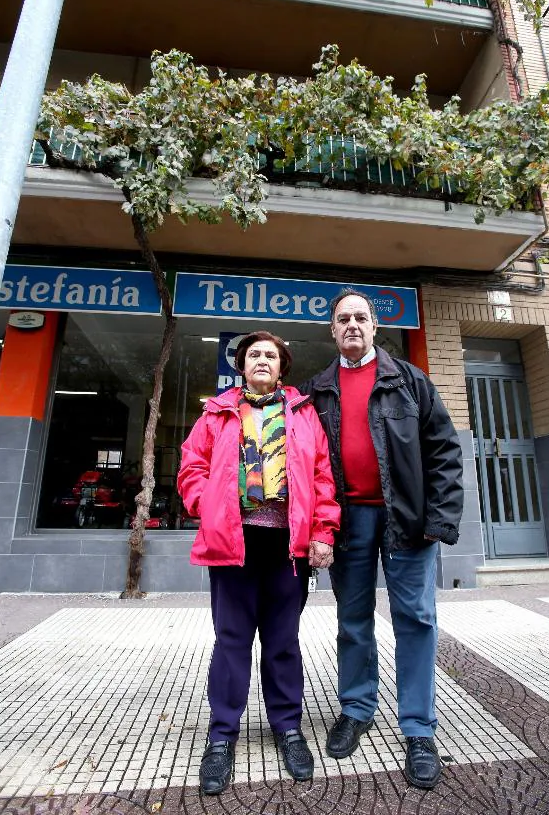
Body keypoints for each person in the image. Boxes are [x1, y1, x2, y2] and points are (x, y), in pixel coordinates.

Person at [301, 288, 463, 790]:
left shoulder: (410, 381)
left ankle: (418, 727)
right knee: (352, 621)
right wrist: (314, 529)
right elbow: (306, 466)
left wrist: (439, 518)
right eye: (343, 318)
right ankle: (356, 707)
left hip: (407, 521)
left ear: (375, 327)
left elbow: (445, 453)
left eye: (361, 318)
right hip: (347, 524)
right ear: (332, 330)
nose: (352, 325)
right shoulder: (316, 390)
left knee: (415, 619)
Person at [178, 330, 340, 795]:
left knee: (283, 641)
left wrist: (323, 532)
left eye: (271, 355)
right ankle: (221, 735)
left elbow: (323, 478)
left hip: (287, 547)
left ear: (282, 365)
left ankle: (288, 728)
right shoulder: (218, 412)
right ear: (242, 365)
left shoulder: (304, 414)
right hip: (233, 542)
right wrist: (203, 502)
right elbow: (192, 467)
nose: (262, 360)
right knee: (231, 641)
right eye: (254, 355)